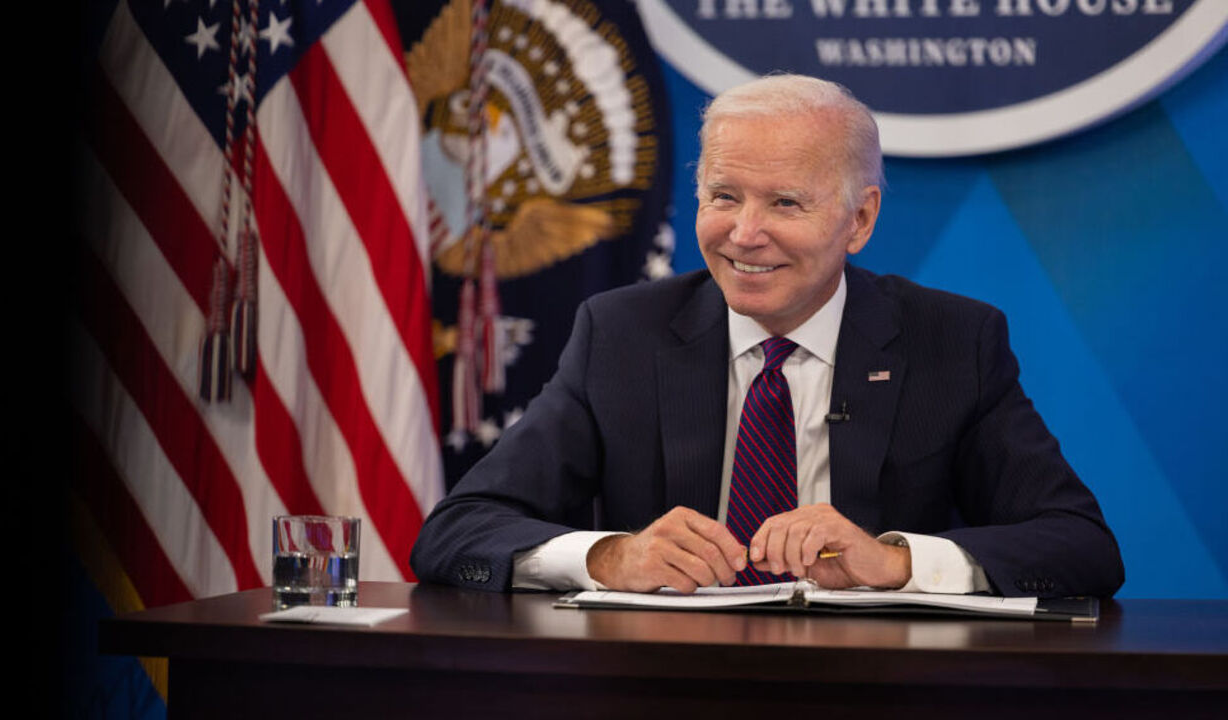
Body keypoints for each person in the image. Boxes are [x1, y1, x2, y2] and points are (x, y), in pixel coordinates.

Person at [411, 74, 1124, 598]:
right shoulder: (621, 334)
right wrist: (608, 559)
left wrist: (896, 561)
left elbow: (1082, 547)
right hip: (660, 689)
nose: (744, 235)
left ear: (860, 220)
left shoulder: (952, 341)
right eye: (724, 196)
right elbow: (456, 530)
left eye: (785, 202)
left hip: (881, 693)